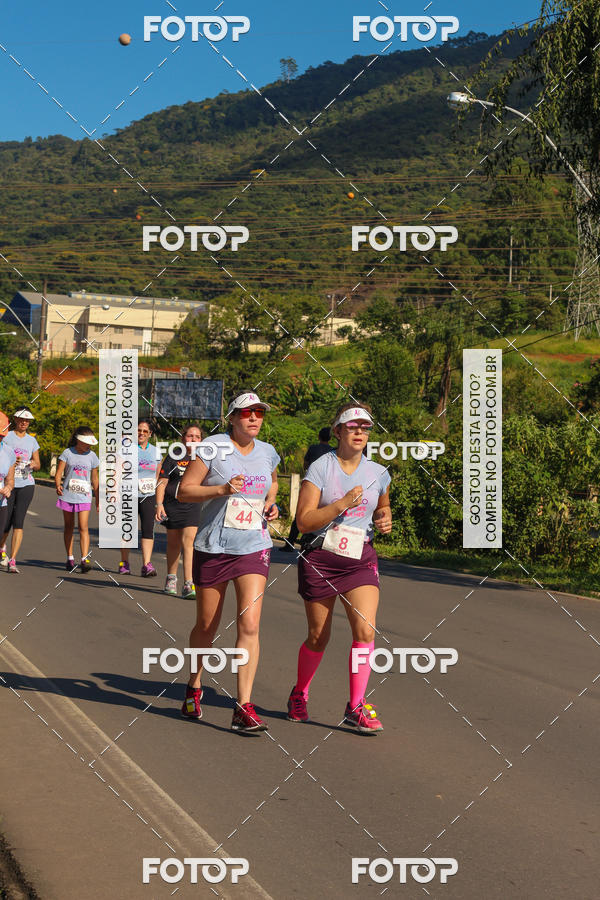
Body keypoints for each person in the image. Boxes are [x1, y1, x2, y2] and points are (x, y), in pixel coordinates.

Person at [178, 390, 280, 732]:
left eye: (259, 413)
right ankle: (194, 685)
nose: (254, 418)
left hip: (254, 546)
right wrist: (221, 490)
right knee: (207, 625)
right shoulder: (212, 447)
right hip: (214, 546)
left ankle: (243, 706)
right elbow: (185, 491)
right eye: (247, 413)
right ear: (233, 418)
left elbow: (273, 483)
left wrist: (271, 503)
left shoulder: (267, 452)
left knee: (250, 624)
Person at [287, 402, 392, 734]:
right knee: (319, 636)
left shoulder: (378, 472)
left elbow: (383, 506)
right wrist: (341, 504)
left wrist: (383, 517)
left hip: (360, 559)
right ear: (338, 431)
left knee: (365, 631)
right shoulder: (321, 468)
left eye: (365, 427)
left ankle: (356, 705)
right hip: (321, 558)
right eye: (352, 426)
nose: (360, 432)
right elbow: (303, 521)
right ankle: (300, 693)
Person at [155, 423, 203, 599]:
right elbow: (162, 481)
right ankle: (171, 577)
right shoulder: (174, 456)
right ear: (183, 439)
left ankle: (189, 583)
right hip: (172, 504)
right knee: (173, 543)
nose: (193, 440)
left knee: (188, 542)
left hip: (193, 505)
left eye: (197, 437)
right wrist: (158, 504)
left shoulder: (203, 458)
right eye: (190, 436)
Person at [0, 408, 41, 573]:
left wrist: (33, 464)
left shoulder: (32, 441)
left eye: (27, 421)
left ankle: (13, 559)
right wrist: (12, 461)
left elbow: (38, 464)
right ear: (15, 420)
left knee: (19, 522)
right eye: (21, 420)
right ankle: (2, 549)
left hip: (26, 484)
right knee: (5, 521)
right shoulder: (7, 436)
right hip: (8, 485)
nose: (24, 423)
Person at [55, 426, 100, 573]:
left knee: (83, 526)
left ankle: (84, 558)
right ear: (78, 440)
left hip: (84, 496)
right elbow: (59, 472)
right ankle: (69, 557)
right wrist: (57, 484)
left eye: (90, 443)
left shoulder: (92, 456)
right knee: (69, 526)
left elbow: (95, 479)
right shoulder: (67, 453)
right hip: (68, 495)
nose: (88, 446)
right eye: (86, 442)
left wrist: (98, 499)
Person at [119, 418, 160, 577]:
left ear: (150, 434)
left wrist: (157, 497)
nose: (141, 433)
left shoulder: (155, 451)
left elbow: (158, 475)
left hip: (148, 495)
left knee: (148, 530)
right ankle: (124, 563)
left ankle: (146, 564)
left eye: (145, 431)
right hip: (129, 494)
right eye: (138, 430)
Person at [282, 426, 332, 551]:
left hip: (311, 485)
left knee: (302, 514)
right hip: (328, 486)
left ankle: (290, 543)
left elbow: (305, 465)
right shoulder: (333, 451)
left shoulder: (313, 448)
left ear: (319, 437)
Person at [0, 435, 16, 554]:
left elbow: (10, 479)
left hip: (1, 502)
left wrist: (8, 488)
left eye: (1, 435)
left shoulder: (8, 452)